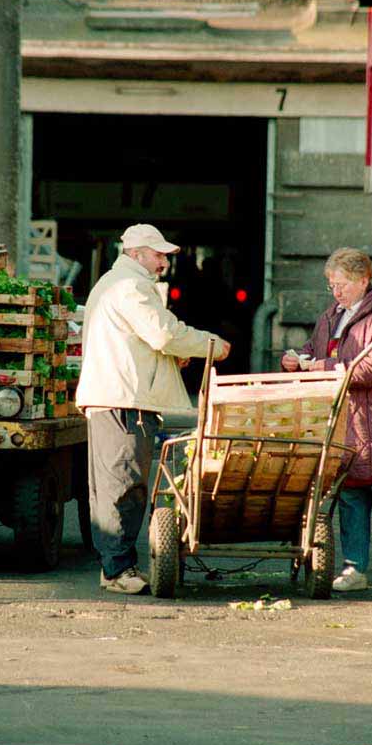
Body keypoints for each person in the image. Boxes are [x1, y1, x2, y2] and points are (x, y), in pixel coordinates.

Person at [76, 224, 230, 594]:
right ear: (136, 253)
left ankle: (114, 568)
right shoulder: (131, 287)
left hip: (111, 397)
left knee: (111, 487)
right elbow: (164, 333)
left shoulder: (114, 284)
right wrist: (212, 344)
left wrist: (165, 361)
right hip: (124, 400)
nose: (164, 262)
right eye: (158, 254)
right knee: (125, 486)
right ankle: (118, 572)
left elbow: (138, 341)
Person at [281, 247, 372, 595]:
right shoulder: (332, 315)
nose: (336, 291)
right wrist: (298, 358)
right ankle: (355, 568)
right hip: (348, 427)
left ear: (364, 280)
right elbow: (315, 349)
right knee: (351, 502)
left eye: (341, 284)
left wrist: (323, 367)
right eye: (332, 285)